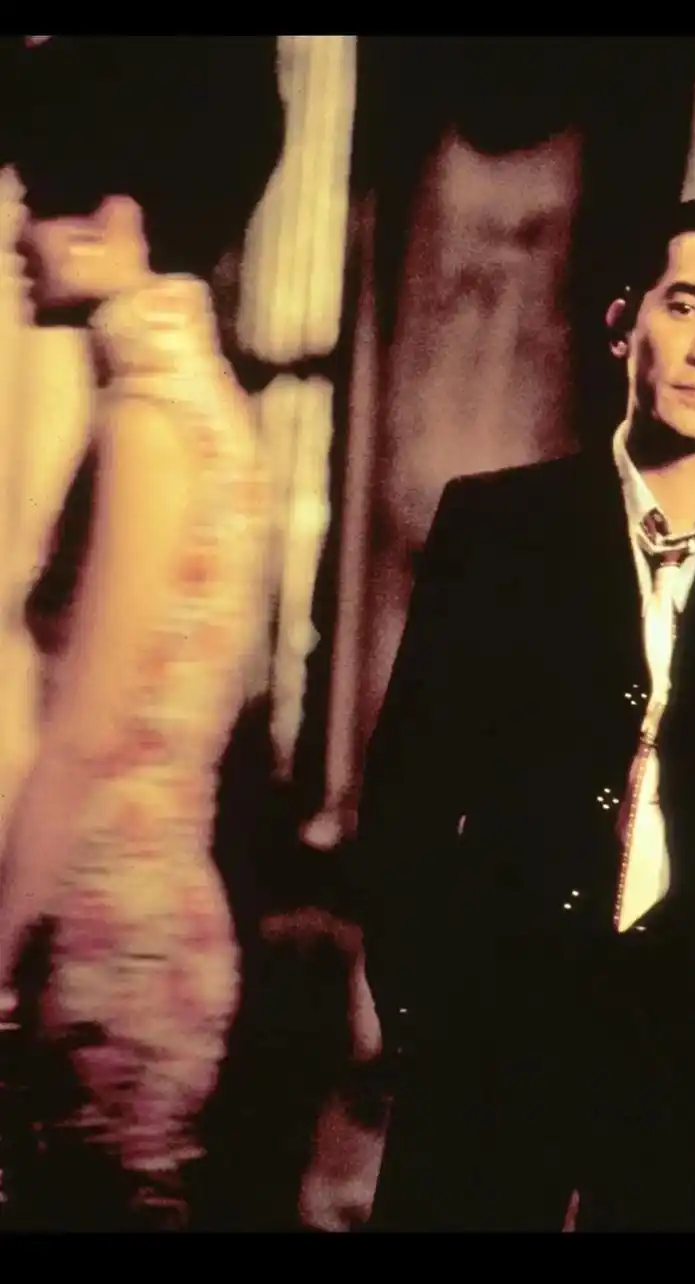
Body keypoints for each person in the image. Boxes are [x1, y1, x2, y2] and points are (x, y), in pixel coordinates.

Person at [355, 196, 695, 1232]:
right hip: (494, 1034)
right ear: (620, 326)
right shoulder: (497, 526)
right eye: (683, 306)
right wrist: (420, 1017)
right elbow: (407, 796)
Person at [0, 188, 271, 1232]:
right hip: (144, 923)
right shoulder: (202, 400)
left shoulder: (151, 419)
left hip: (109, 946)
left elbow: (86, 737)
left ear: (112, 216)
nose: (16, 237)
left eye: (35, 203)